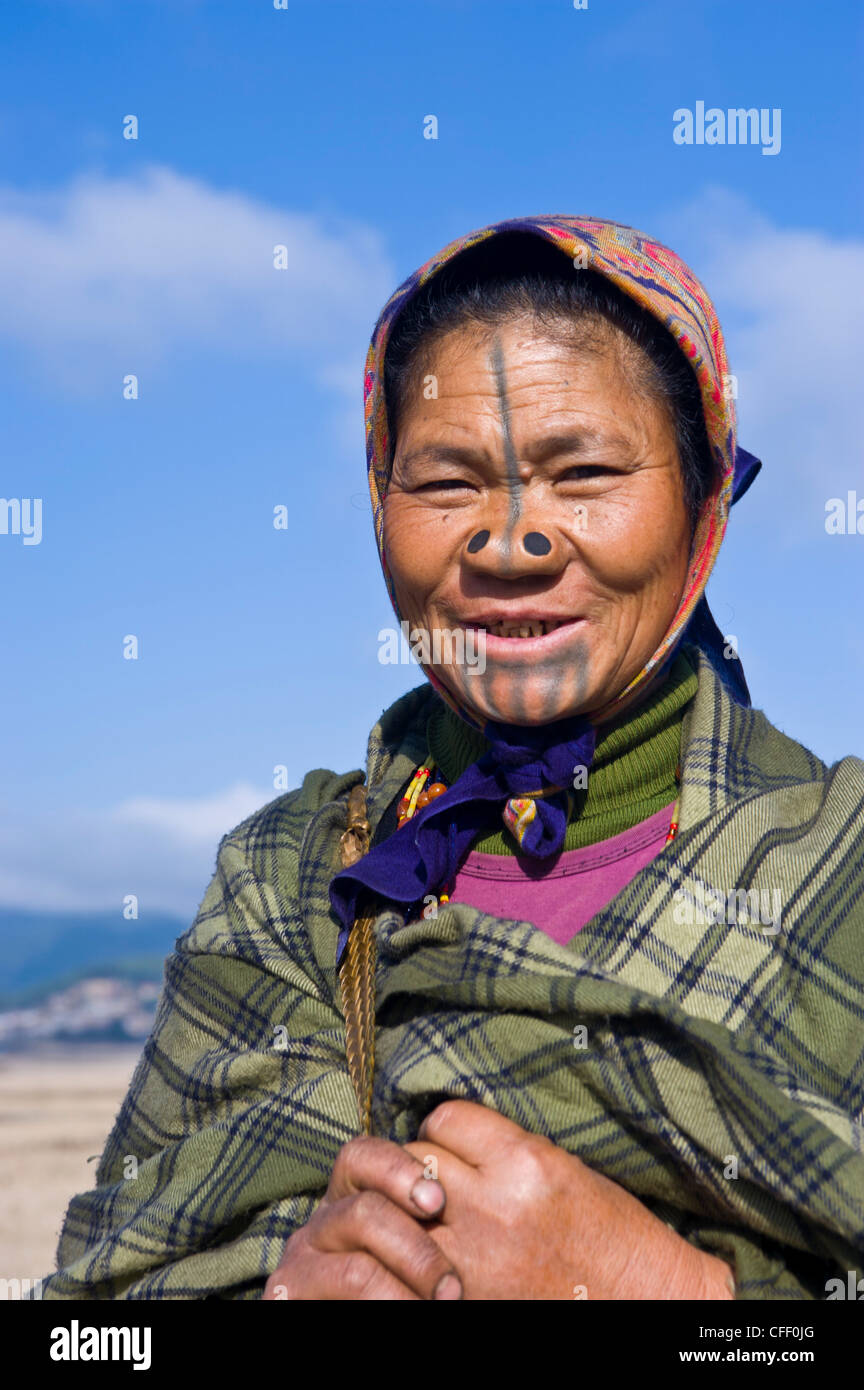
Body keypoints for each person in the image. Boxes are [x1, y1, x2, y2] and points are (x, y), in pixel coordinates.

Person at [42, 215, 864, 1301]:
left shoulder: (837, 869)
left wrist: (664, 1289)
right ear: (380, 507)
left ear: (705, 503)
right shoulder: (287, 883)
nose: (512, 541)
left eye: (584, 473)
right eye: (444, 485)